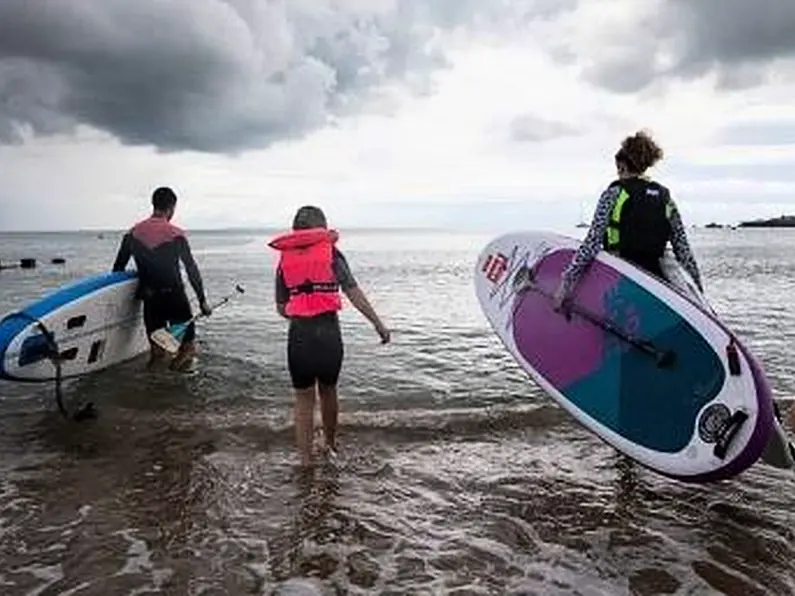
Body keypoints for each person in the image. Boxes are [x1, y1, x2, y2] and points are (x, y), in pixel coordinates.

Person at [269, 205, 390, 467]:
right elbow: (353, 291)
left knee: (303, 398)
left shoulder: (285, 260)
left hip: (299, 335)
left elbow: (281, 307)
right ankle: (330, 445)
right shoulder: (331, 253)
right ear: (322, 228)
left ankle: (305, 460)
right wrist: (378, 324)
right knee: (328, 391)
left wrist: (301, 311)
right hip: (328, 333)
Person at [553, 130, 704, 310]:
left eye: (618, 169)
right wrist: (699, 292)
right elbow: (684, 252)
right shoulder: (665, 199)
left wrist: (567, 281)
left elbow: (592, 243)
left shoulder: (613, 194)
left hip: (621, 273)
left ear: (622, 166)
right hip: (656, 279)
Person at [112, 186, 212, 371]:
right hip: (175, 298)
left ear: (153, 204)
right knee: (187, 349)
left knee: (157, 353)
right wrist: (202, 301)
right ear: (172, 207)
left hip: (151, 299)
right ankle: (177, 388)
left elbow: (118, 269)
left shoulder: (132, 234)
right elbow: (191, 269)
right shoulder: (176, 234)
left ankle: (151, 391)